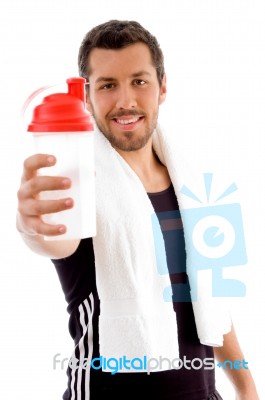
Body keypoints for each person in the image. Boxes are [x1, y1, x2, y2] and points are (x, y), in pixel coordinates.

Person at [16, 20, 259, 400]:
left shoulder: (196, 185)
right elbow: (53, 239)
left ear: (163, 87)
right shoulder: (79, 181)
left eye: (139, 81)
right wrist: (32, 223)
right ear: (86, 97)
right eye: (108, 85)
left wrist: (246, 386)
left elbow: (213, 299)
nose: (125, 101)